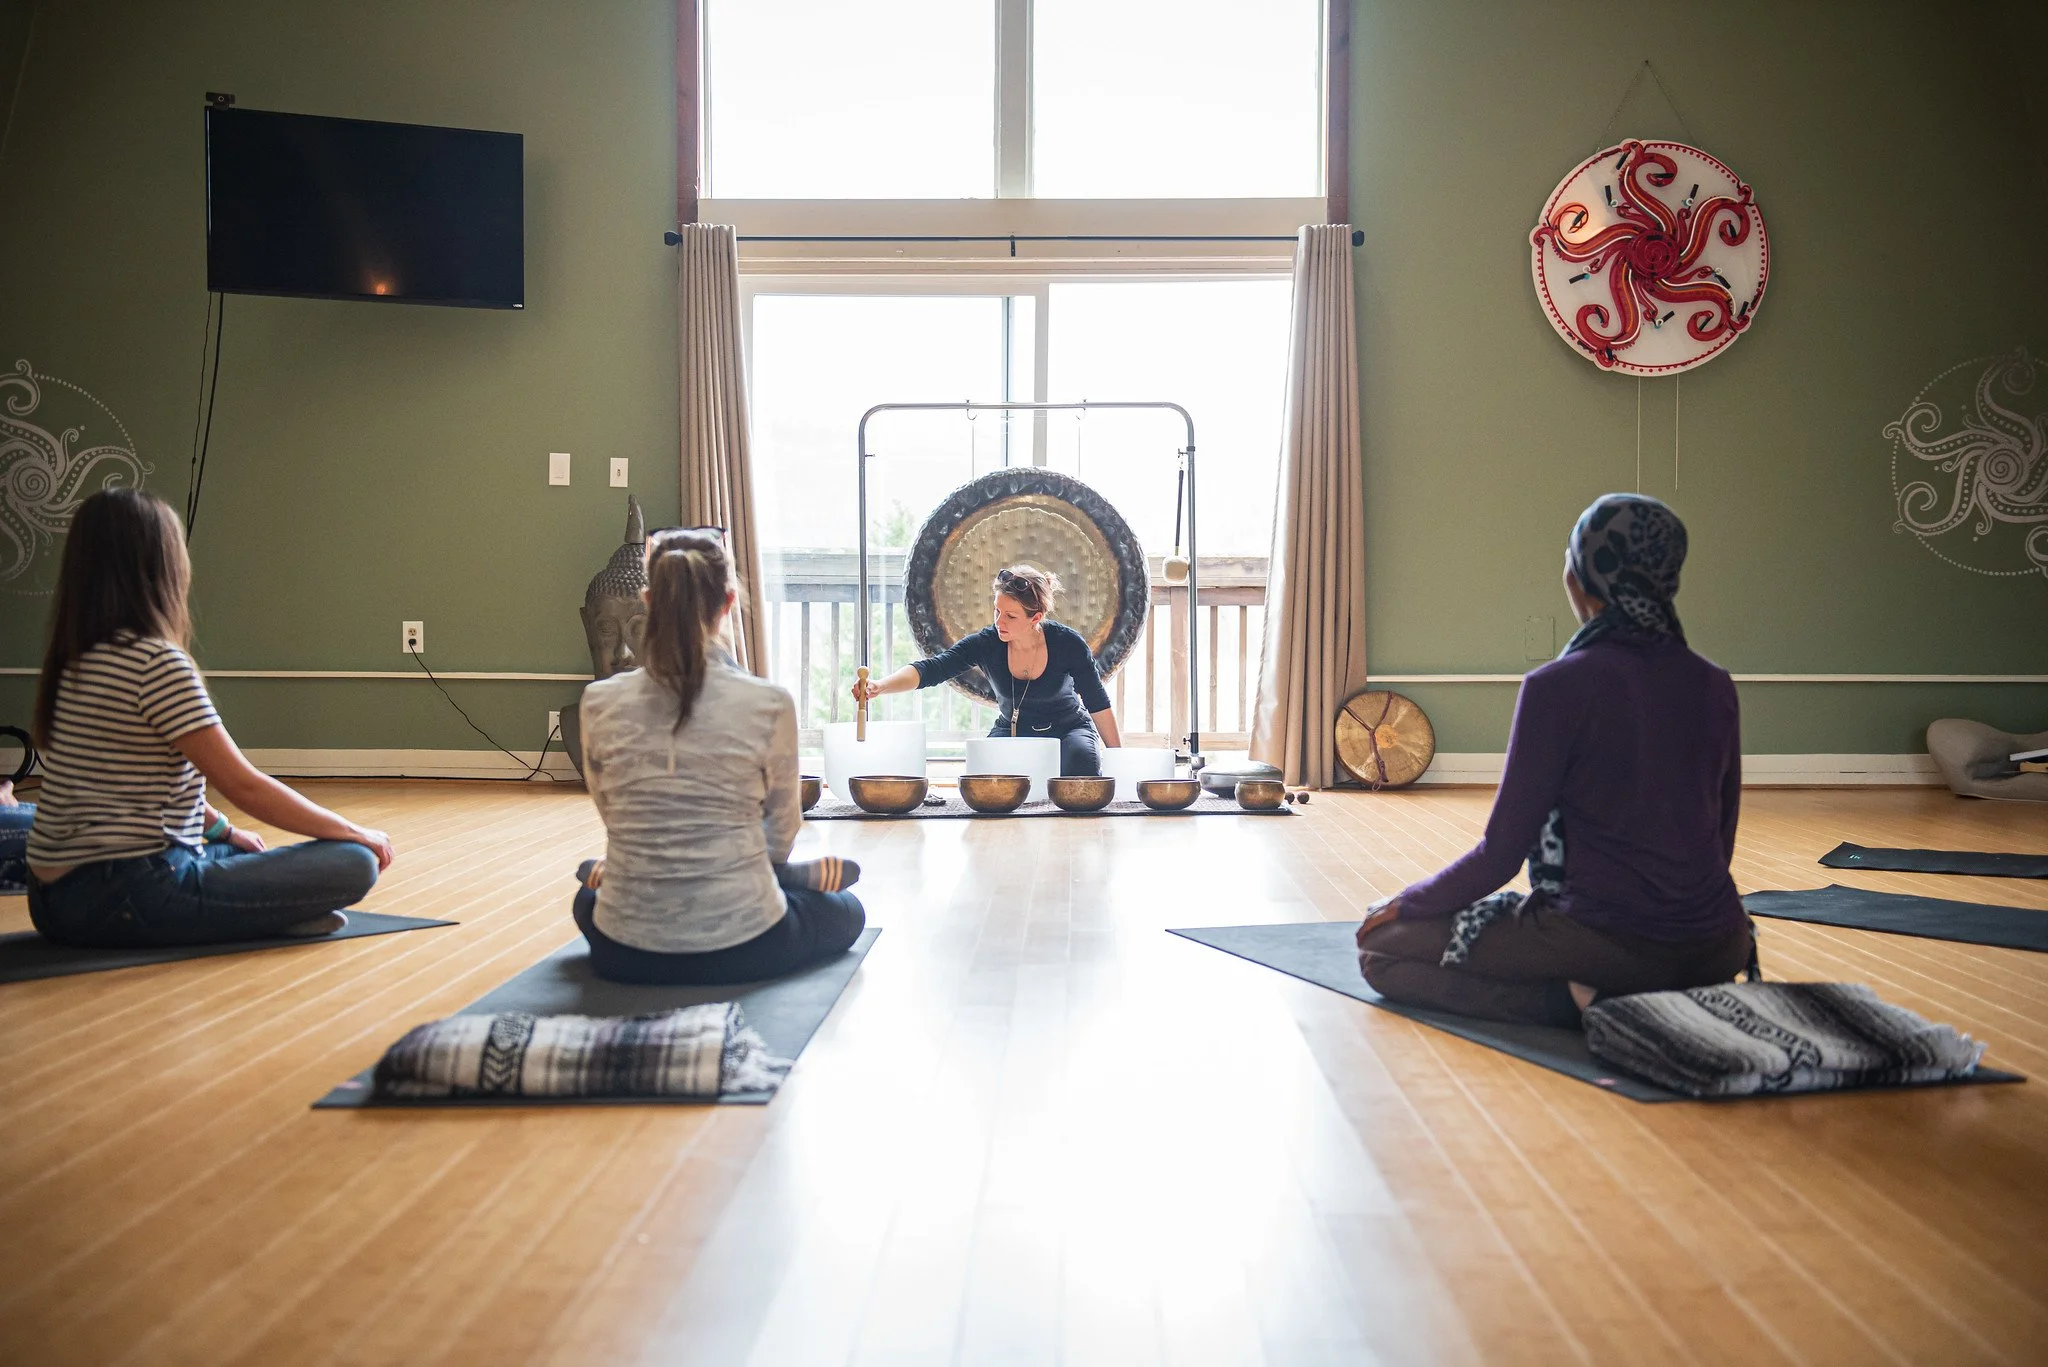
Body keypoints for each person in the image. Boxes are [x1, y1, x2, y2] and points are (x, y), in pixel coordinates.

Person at [1354, 493, 1752, 1026]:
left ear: (1579, 576)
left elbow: (1501, 855)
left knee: (1384, 952)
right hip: (1716, 948)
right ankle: (1647, 991)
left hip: (1604, 940)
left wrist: (1408, 902)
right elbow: (1719, 844)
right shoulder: (1714, 684)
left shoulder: (1557, 686)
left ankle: (1583, 1004)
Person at [25, 490, 392, 946]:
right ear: (163, 567)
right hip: (127, 895)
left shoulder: (76, 662)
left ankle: (252, 909)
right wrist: (358, 833)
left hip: (53, 899)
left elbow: (141, 790)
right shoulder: (155, 662)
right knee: (352, 862)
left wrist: (228, 832)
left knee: (228, 849)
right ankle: (258, 916)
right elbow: (245, 785)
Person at [574, 527, 866, 986]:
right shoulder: (769, 702)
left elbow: (612, 813)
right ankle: (789, 880)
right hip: (745, 945)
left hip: (624, 950)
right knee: (846, 911)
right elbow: (783, 827)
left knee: (586, 901)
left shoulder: (597, 701)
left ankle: (615, 879)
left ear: (648, 602)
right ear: (728, 604)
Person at [854, 564, 1123, 776]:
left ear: (1036, 618)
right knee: (984, 780)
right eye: (997, 611)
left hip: (1069, 729)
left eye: (1010, 616)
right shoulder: (987, 643)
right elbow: (933, 668)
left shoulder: (1068, 643)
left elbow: (1097, 702)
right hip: (1014, 729)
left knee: (1082, 768)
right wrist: (880, 686)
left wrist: (1119, 759)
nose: (999, 622)